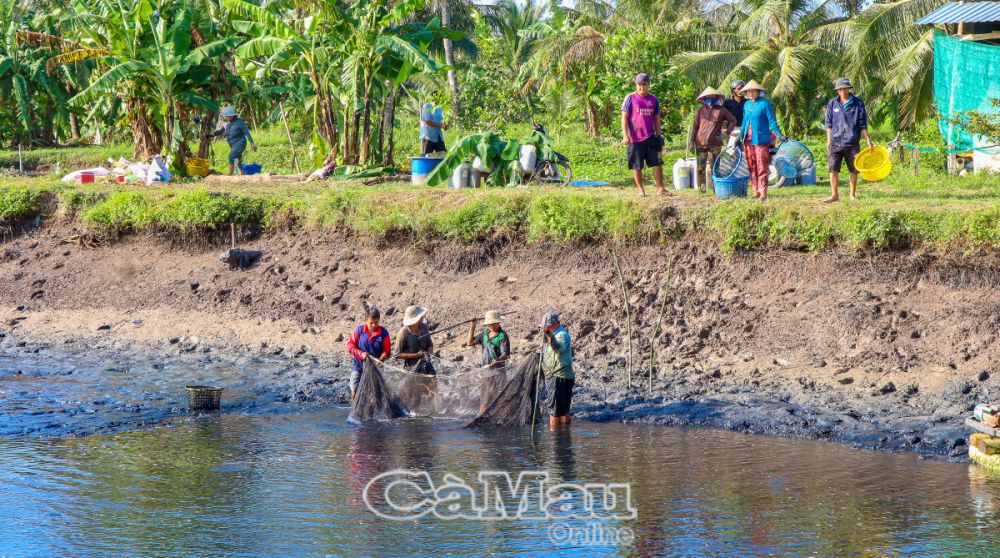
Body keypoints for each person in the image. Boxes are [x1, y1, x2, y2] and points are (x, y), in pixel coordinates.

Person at [824, 78, 872, 202]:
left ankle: (852, 194)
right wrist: (828, 141)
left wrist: (868, 141)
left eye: (844, 88)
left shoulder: (858, 103)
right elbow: (828, 124)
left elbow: (862, 124)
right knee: (833, 168)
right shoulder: (832, 103)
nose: (842, 91)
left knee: (854, 169)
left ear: (849, 88)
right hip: (835, 142)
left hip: (852, 142)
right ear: (837, 91)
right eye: (840, 89)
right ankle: (835, 195)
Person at [621, 73, 667, 197]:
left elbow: (657, 118)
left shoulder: (654, 100)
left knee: (657, 162)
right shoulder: (630, 98)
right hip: (635, 138)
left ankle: (660, 188)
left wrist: (659, 135)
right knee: (637, 165)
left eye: (644, 84)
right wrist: (625, 135)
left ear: (648, 85)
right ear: (636, 85)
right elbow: (624, 117)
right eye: (639, 85)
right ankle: (640, 189)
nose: (642, 87)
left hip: (651, 136)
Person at [738, 80, 783, 202]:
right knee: (751, 165)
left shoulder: (764, 103)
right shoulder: (747, 104)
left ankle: (763, 192)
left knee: (761, 165)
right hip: (748, 140)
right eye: (748, 91)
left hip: (761, 139)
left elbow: (772, 121)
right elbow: (744, 122)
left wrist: (779, 134)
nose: (751, 93)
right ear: (746, 93)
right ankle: (755, 191)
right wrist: (740, 135)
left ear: (758, 92)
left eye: (753, 91)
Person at [691, 87, 738, 193]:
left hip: (715, 145)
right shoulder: (700, 110)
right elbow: (695, 126)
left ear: (716, 98)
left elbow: (733, 121)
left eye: (713, 97)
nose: (710, 99)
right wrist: (691, 141)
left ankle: (715, 190)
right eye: (708, 97)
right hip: (700, 144)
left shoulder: (721, 110)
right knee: (700, 167)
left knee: (715, 167)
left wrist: (726, 133)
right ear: (704, 98)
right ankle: (701, 189)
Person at [466, 310, 512, 413]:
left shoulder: (502, 336)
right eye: (488, 323)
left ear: (497, 323)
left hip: (499, 372)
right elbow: (469, 343)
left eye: (491, 323)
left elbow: (505, 355)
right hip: (486, 372)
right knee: (485, 398)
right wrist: (472, 326)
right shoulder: (485, 334)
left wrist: (498, 360)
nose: (489, 325)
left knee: (502, 397)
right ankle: (481, 417)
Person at [346, 307, 391, 400]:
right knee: (354, 390)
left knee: (376, 393)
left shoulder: (384, 333)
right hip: (359, 367)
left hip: (376, 368)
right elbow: (350, 346)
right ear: (365, 320)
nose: (374, 325)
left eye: (376, 322)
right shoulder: (358, 331)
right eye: (371, 323)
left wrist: (379, 360)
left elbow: (387, 351)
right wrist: (360, 353)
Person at [540, 312, 573, 428]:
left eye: (550, 325)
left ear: (557, 323)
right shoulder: (553, 335)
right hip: (561, 376)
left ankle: (555, 440)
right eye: (546, 326)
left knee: (554, 411)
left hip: (558, 376)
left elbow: (558, 349)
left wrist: (548, 334)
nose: (548, 328)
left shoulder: (561, 335)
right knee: (563, 411)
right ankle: (564, 437)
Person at [207, 106, 256, 176]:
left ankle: (230, 173)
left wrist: (252, 143)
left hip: (240, 142)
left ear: (231, 116)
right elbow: (220, 131)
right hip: (233, 145)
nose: (225, 117)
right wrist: (212, 135)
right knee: (237, 159)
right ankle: (241, 175)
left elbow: (247, 133)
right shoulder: (226, 123)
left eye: (226, 116)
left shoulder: (239, 122)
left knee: (231, 155)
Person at [395, 306, 435, 374]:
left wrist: (428, 354)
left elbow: (430, 344)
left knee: (433, 379)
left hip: (426, 363)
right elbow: (397, 354)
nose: (422, 317)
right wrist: (416, 355)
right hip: (411, 368)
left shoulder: (424, 327)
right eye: (420, 316)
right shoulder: (403, 333)